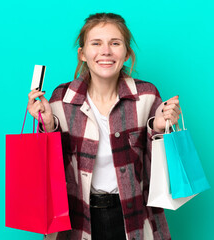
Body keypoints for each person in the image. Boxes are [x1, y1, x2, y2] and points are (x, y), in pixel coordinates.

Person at [27, 13, 180, 240]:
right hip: (78, 218)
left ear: (126, 53)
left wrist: (157, 129)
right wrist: (48, 127)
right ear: (82, 54)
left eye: (115, 43)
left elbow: (159, 176)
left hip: (134, 217)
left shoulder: (147, 95)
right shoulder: (61, 99)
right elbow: (52, 176)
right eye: (96, 43)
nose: (106, 51)